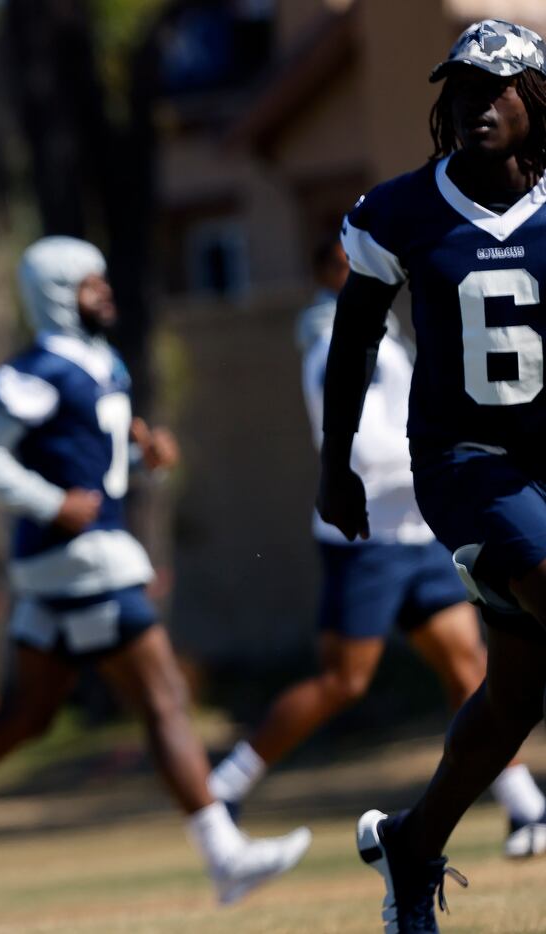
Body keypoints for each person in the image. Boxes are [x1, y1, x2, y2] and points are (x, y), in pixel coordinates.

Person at [0, 236, 311, 910]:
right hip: (84, 559)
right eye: (94, 284)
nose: (108, 293)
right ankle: (226, 856)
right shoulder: (40, 369)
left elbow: (85, 439)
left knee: (28, 716)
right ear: (61, 293)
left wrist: (141, 447)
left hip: (71, 565)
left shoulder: (99, 362)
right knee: (163, 701)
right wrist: (49, 501)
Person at [208, 241, 546, 858]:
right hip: (364, 545)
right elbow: (356, 453)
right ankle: (223, 788)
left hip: (416, 539)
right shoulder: (331, 347)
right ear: (330, 272)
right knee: (343, 682)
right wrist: (446, 449)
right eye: (355, 261)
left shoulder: (386, 339)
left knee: (470, 668)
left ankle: (526, 811)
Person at [318, 18, 546, 932]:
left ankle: (412, 847)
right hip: (470, 470)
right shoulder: (402, 211)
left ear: (535, 99)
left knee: (516, 698)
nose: (470, 106)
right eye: (456, 89)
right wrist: (335, 466)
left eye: (493, 89)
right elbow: (352, 343)